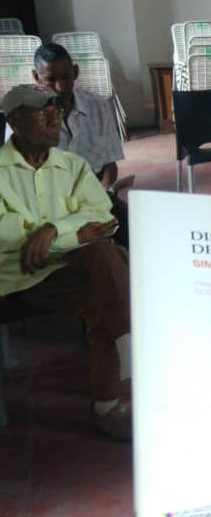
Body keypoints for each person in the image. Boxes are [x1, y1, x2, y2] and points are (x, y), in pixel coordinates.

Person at [0, 85, 131, 440]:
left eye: (57, 112)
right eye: (43, 114)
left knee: (105, 260)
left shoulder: (72, 165)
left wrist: (53, 230)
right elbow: (7, 236)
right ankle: (114, 392)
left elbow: (102, 215)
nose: (55, 120)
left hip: (67, 270)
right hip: (18, 278)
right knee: (113, 268)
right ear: (15, 122)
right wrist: (74, 234)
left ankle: (123, 363)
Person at [30, 43, 128, 247]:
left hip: (95, 188)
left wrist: (102, 194)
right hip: (49, 198)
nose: (59, 87)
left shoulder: (98, 106)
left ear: (75, 72)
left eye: (65, 77)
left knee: (130, 228)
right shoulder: (25, 118)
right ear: (36, 77)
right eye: (50, 80)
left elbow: (110, 165)